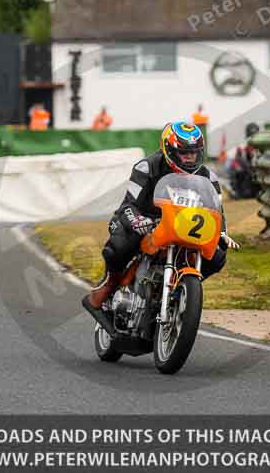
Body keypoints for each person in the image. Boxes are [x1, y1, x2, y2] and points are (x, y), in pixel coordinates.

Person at [82, 121, 239, 327]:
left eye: (194, 152)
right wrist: (138, 220)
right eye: (184, 152)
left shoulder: (209, 177)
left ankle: (181, 290)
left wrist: (223, 233)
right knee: (119, 246)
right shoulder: (146, 167)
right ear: (169, 150)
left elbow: (217, 212)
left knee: (218, 255)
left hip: (181, 224)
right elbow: (128, 205)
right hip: (141, 219)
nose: (190, 157)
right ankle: (108, 286)